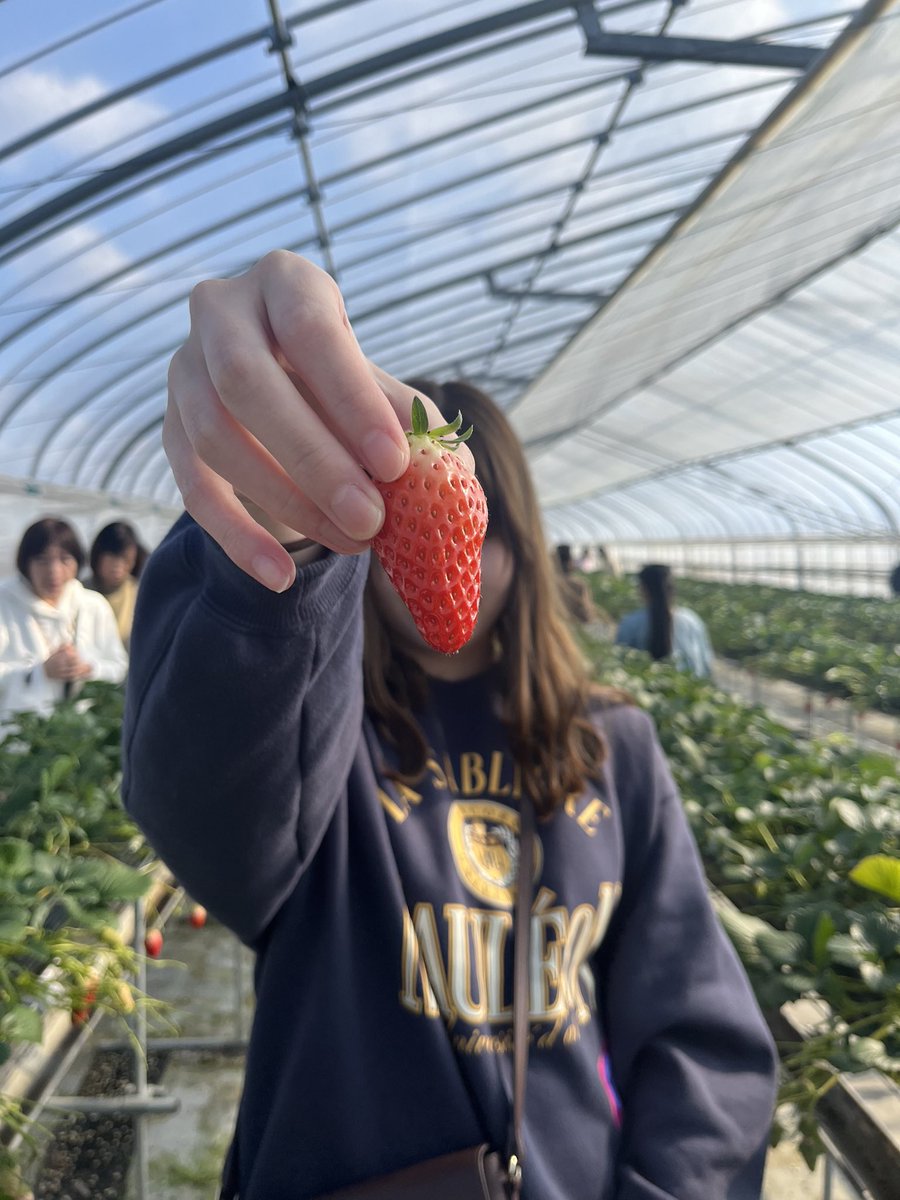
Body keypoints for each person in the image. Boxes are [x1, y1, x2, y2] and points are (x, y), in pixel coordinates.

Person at [123, 252, 777, 1200]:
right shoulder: (324, 736)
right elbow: (199, 794)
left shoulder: (612, 747)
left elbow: (698, 1033)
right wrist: (284, 540)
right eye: (386, 530)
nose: (445, 559)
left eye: (486, 530)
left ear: (518, 531)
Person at [0, 517, 128, 726]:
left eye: (65, 559)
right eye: (42, 559)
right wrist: (40, 672)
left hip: (79, 738)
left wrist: (88, 669)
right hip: (16, 740)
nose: (54, 571)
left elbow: (118, 667)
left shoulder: (92, 606)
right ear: (25, 563)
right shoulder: (5, 603)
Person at [616, 563, 714, 678]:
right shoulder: (692, 621)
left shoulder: (630, 623)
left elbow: (620, 663)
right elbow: (705, 662)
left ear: (643, 590)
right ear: (672, 589)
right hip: (690, 690)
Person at [87, 521, 148, 648]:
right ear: (98, 556)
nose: (118, 566)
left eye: (125, 559)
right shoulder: (80, 591)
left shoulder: (139, 595)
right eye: (112, 557)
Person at [553, 542, 597, 626]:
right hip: (573, 629)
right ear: (570, 562)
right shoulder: (577, 585)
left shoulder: (548, 585)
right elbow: (586, 615)